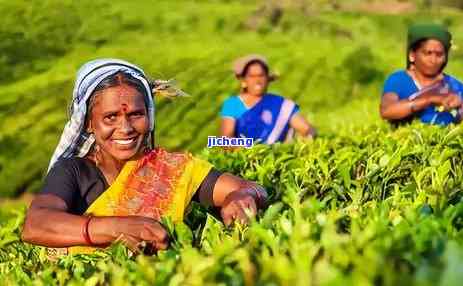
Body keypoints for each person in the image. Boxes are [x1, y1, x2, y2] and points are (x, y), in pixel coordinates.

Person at [21, 59, 268, 258]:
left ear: (149, 116)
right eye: (110, 118)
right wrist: (116, 228)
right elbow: (36, 224)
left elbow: (251, 188)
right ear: (88, 123)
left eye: (136, 114)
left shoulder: (173, 170)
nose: (125, 128)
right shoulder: (73, 171)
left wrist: (241, 197)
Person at [220, 54, 315, 145]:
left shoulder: (280, 104)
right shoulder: (233, 104)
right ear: (244, 80)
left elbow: (306, 129)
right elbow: (226, 138)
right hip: (242, 157)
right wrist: (251, 150)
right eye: (252, 76)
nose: (257, 81)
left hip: (273, 159)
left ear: (267, 79)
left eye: (261, 75)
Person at [380, 23, 463, 125]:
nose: (433, 60)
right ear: (412, 55)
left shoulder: (454, 86)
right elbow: (387, 111)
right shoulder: (398, 80)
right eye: (427, 53)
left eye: (439, 54)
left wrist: (459, 106)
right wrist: (430, 99)